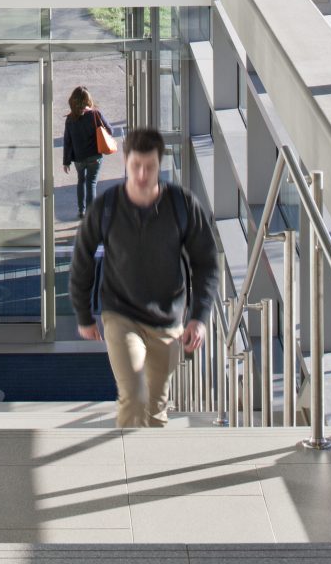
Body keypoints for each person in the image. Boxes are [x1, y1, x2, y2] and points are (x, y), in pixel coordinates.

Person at [68, 128, 217, 428]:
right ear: (125, 162)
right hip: (120, 314)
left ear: (159, 165)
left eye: (149, 167)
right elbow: (82, 259)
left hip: (168, 320)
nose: (141, 174)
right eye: (136, 166)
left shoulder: (181, 205)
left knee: (155, 410)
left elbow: (206, 262)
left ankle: (150, 471)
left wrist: (199, 317)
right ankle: (127, 470)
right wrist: (84, 315)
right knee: (134, 396)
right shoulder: (107, 207)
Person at [61, 86, 113, 216]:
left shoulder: (70, 119)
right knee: (92, 183)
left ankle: (81, 210)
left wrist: (66, 162)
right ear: (88, 100)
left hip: (79, 158)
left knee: (81, 181)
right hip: (95, 156)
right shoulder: (95, 114)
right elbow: (110, 131)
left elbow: (67, 141)